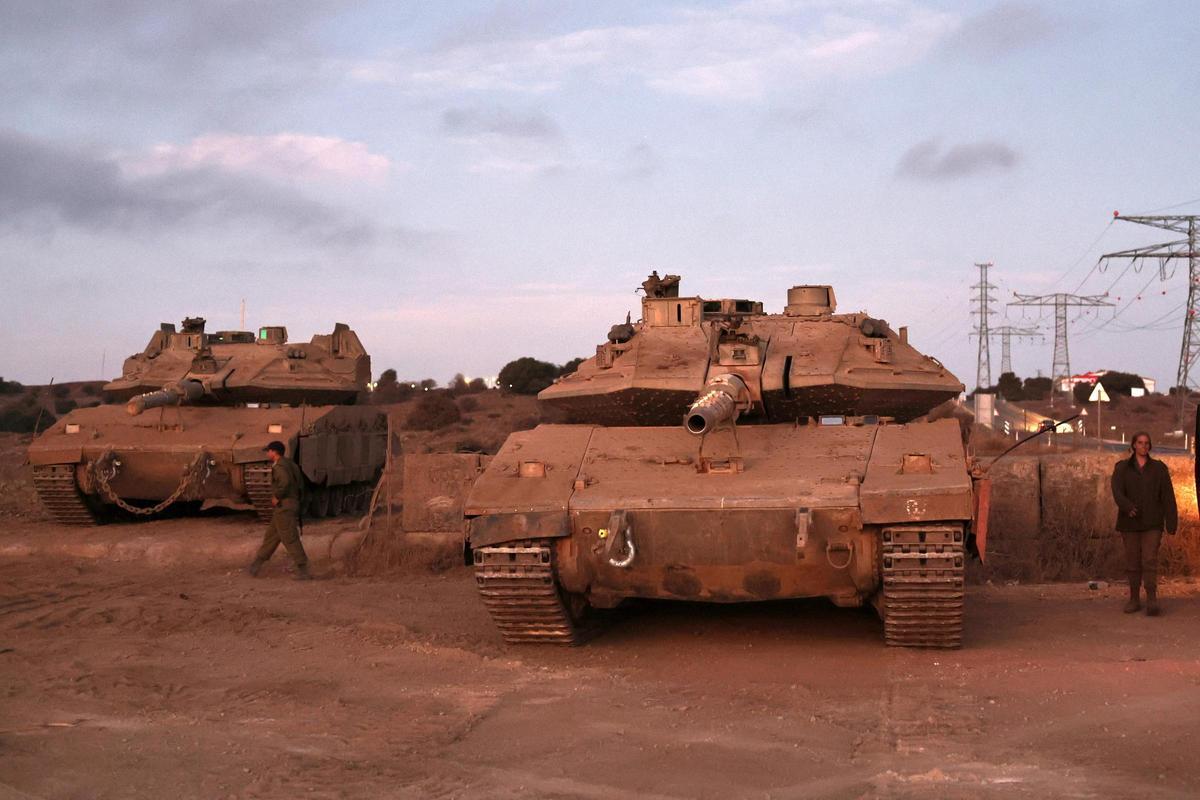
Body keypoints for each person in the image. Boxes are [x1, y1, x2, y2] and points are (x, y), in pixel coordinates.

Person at [1110, 432, 1177, 615]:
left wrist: (1172, 521)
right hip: (1129, 522)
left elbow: (1168, 496)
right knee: (1133, 562)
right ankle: (1133, 599)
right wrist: (1126, 506)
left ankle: (1152, 599)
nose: (1143, 446)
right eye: (1140, 443)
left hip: (1152, 522)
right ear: (1133, 445)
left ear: (1150, 446)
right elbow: (1116, 490)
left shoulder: (1158, 469)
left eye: (1147, 443)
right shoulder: (1122, 468)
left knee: (1149, 560)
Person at [247, 441, 311, 580]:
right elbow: (300, 484)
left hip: (284, 506)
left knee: (290, 537)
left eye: (268, 451)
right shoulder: (291, 464)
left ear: (274, 452)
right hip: (289, 505)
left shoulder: (279, 466)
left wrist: (277, 496)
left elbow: (285, 482)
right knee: (272, 536)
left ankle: (303, 568)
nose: (267, 453)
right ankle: (256, 565)